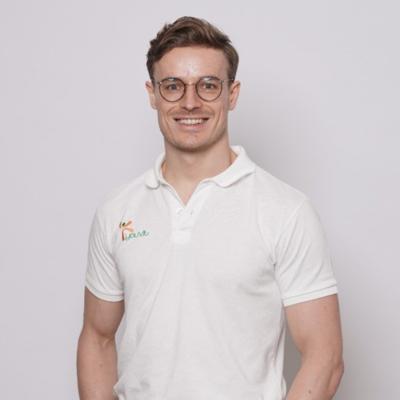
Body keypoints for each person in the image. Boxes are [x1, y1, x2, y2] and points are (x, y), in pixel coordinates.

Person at [77, 16, 344, 400]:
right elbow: (97, 336)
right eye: (173, 86)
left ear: (231, 94)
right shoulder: (117, 210)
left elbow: (325, 357)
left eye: (208, 85)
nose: (190, 102)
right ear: (152, 94)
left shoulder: (286, 211)